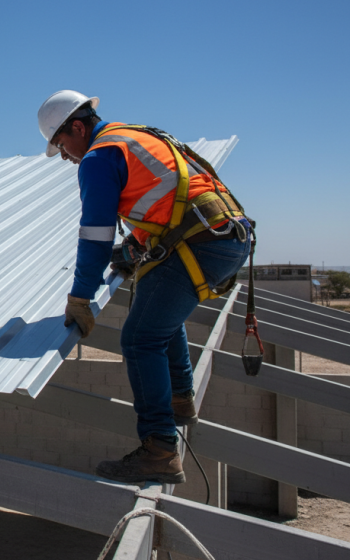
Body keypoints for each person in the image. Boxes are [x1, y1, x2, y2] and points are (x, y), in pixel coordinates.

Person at [37, 90, 253, 484]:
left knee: (139, 339)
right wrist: (136, 242)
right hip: (222, 233)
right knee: (155, 313)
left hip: (203, 243)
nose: (65, 156)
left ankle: (159, 450)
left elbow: (95, 235)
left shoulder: (99, 157)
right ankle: (180, 400)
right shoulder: (132, 135)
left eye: (62, 144)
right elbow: (168, 196)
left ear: (78, 128)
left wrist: (80, 296)